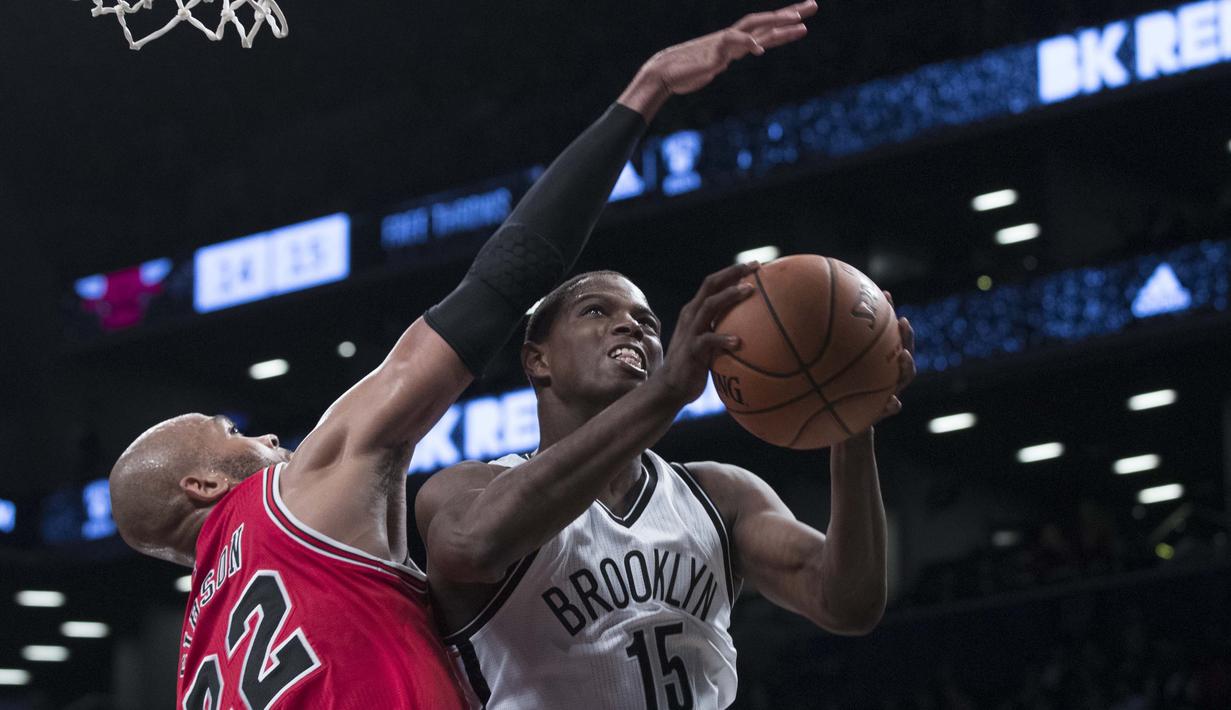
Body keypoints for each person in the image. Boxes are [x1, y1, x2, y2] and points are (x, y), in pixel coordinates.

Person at [105, 5, 812, 704]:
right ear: (202, 487)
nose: (263, 435)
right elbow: (504, 281)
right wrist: (644, 93)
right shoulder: (301, 490)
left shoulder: (200, 659)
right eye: (230, 434)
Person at [417, 260, 913, 708]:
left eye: (648, 323)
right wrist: (667, 392)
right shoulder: (469, 488)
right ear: (537, 361)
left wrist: (851, 425)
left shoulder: (720, 496)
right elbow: (474, 548)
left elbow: (847, 602)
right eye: (595, 311)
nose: (631, 325)